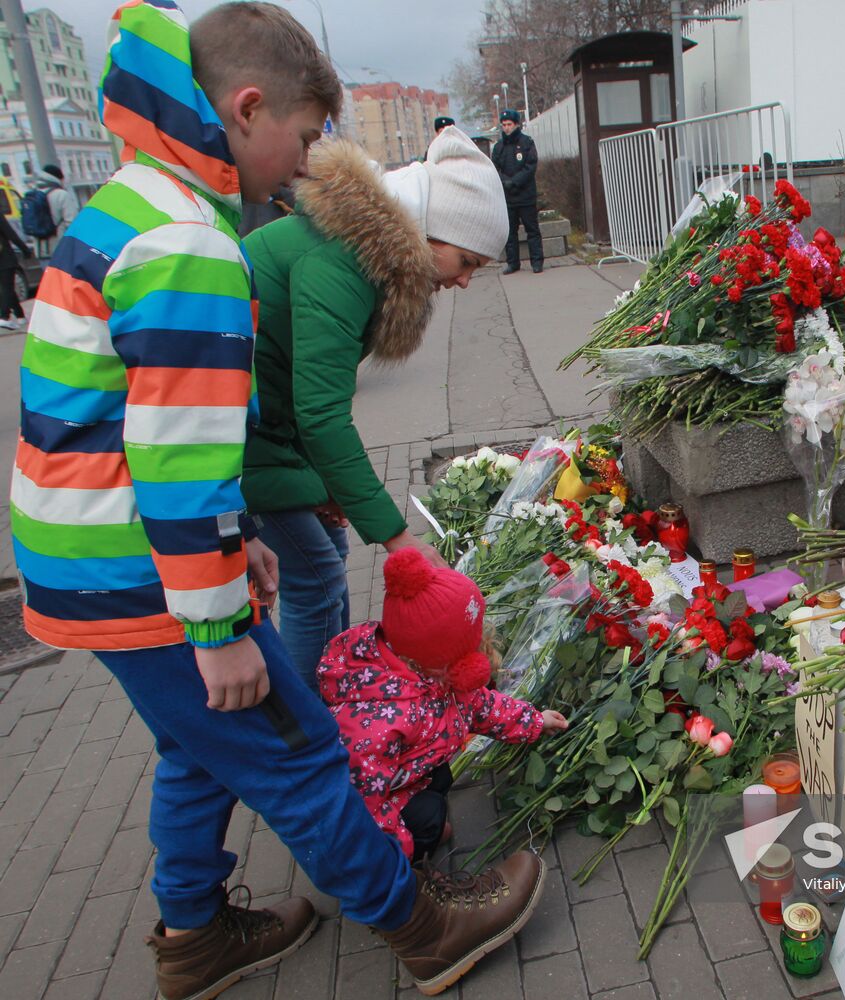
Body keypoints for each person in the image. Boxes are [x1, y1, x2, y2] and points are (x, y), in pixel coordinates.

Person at [10, 3, 543, 998]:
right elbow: (175, 453)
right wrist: (216, 624)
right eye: (303, 138)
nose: (304, 163)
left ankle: (199, 934)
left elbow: (161, 428)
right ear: (248, 109)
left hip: (89, 555)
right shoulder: (187, 246)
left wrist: (236, 539)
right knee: (294, 748)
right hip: (136, 570)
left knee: (196, 751)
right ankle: (424, 928)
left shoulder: (136, 206)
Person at [242, 125, 508, 690]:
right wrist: (397, 538)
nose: (462, 280)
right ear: (425, 233)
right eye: (464, 260)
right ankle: (311, 727)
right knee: (314, 577)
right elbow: (320, 413)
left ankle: (334, 694)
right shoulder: (340, 264)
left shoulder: (360, 254)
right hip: (241, 434)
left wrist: (327, 485)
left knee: (329, 553)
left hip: (266, 426)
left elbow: (302, 387)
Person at [318, 547, 569, 862]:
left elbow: (480, 706)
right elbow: (360, 804)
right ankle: (412, 857)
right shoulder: (378, 724)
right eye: (467, 650)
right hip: (375, 806)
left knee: (440, 779)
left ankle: (421, 820)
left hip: (407, 770)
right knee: (428, 816)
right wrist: (396, 856)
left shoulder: (425, 667)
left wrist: (534, 722)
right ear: (433, 660)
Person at [490, 109, 543, 274]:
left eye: (509, 125)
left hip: (525, 195)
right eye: (504, 125)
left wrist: (514, 182)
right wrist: (505, 182)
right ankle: (513, 263)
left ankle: (537, 262)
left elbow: (530, 166)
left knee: (532, 230)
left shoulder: (527, 143)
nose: (506, 128)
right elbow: (494, 169)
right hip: (507, 197)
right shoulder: (498, 147)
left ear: (516, 125)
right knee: (510, 233)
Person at [32, 164, 78, 256]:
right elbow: (72, 223)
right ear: (59, 178)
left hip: (40, 249)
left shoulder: (32, 194)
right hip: (60, 248)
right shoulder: (61, 194)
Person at [0, 212, 32, 329]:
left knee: (7, 287)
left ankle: (20, 316)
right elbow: (10, 234)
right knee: (7, 287)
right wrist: (25, 249)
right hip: (4, 258)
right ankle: (4, 317)